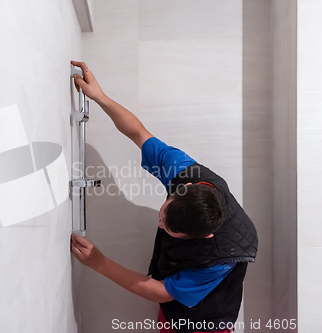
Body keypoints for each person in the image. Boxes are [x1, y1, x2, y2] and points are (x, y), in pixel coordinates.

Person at [69, 60, 258, 333]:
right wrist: (100, 97)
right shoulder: (185, 173)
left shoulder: (222, 257)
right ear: (182, 189)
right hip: (175, 311)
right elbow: (138, 133)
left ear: (203, 237)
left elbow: (161, 291)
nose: (159, 225)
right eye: (163, 215)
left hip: (206, 324)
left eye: (167, 228)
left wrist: (99, 262)